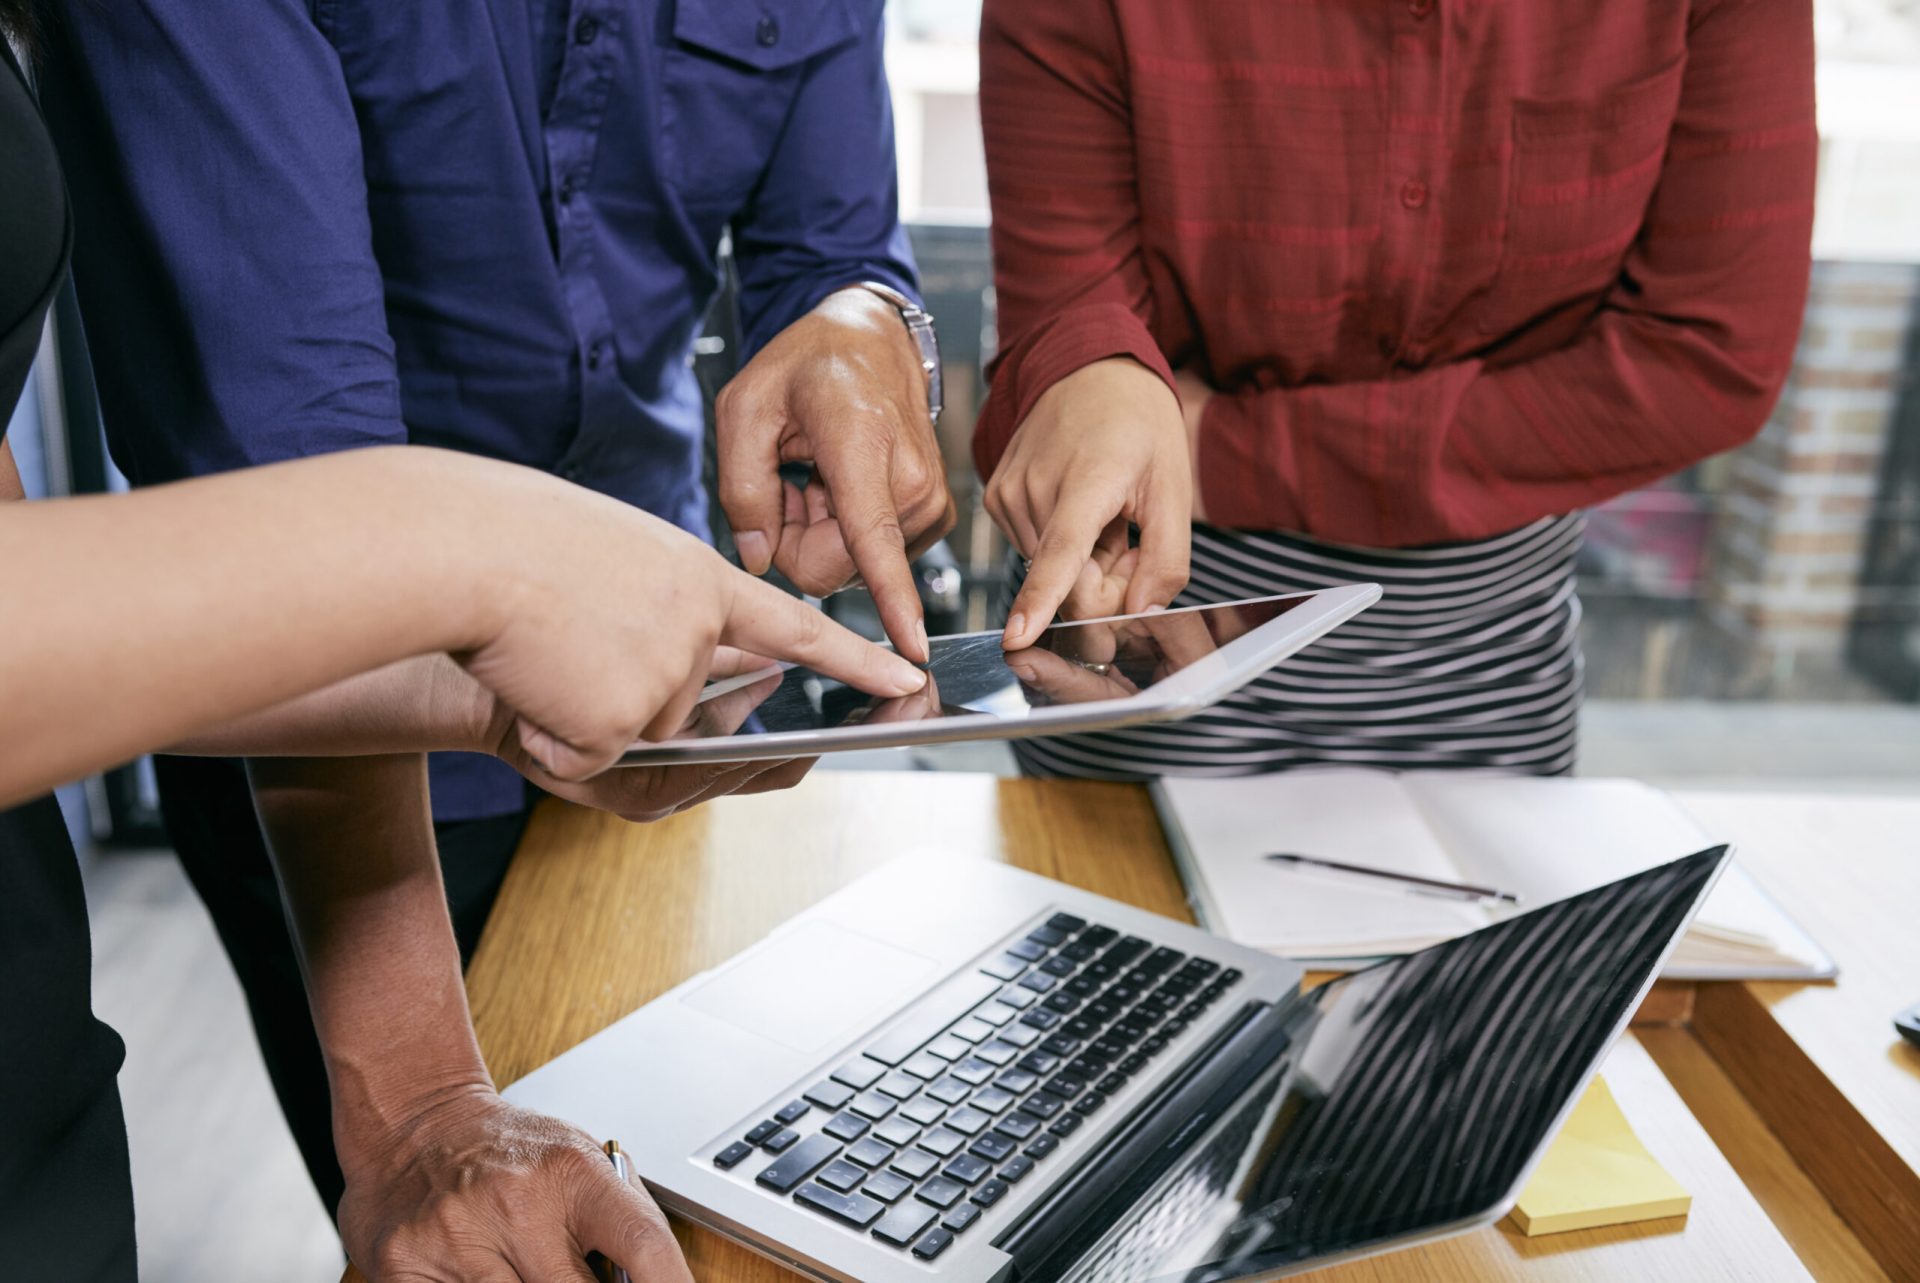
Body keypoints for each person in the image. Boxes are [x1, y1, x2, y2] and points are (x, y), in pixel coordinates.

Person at [1, 20, 927, 1279]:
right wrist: (421, 1094)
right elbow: (283, 450)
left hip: (636, 687)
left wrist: (865, 317)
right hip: (345, 777)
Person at [974, 0, 1815, 779]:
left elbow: (1709, 364)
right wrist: (1100, 401)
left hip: (1492, 668)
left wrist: (1209, 444)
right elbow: (1079, 359)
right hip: (1146, 640)